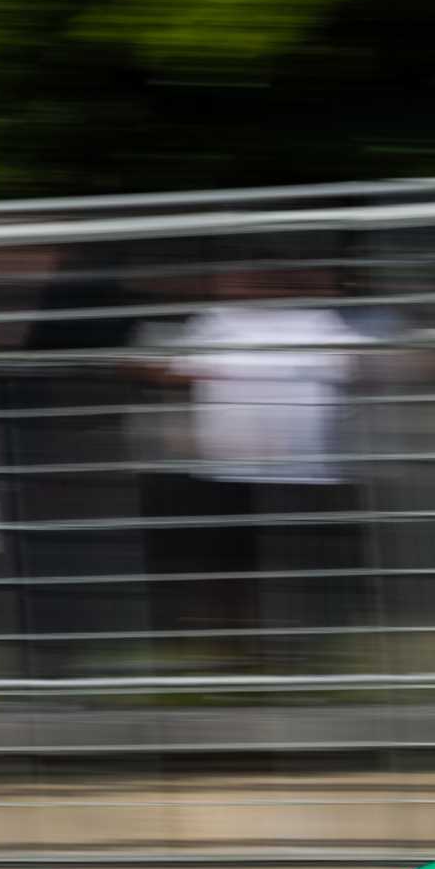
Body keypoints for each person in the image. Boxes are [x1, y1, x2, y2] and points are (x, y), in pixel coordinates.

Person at [154, 255, 373, 663]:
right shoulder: (216, 321)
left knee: (302, 567)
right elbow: (173, 370)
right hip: (230, 471)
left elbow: (366, 366)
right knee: (235, 569)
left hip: (306, 472)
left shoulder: (322, 322)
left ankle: (305, 653)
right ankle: (242, 655)